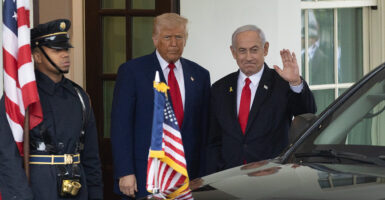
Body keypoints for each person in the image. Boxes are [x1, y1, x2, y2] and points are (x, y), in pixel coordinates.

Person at [0, 19, 103, 199]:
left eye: (66, 49)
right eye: (57, 50)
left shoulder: (79, 96)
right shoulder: (20, 96)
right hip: (39, 187)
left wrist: (95, 194)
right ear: (37, 56)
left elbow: (91, 155)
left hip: (77, 186)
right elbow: (6, 153)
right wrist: (20, 195)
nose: (65, 55)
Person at [110, 13, 210, 199]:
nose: (174, 43)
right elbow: (120, 126)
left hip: (187, 177)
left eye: (179, 37)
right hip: (145, 174)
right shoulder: (132, 72)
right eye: (167, 37)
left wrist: (203, 175)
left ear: (186, 40)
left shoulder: (200, 75)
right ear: (155, 39)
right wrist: (125, 171)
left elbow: (203, 131)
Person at [206, 25, 316, 174]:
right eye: (242, 51)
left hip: (271, 176)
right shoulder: (219, 88)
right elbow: (213, 140)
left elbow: (307, 112)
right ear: (233, 52)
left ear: (265, 49)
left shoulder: (282, 83)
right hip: (229, 177)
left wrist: (295, 83)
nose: (248, 57)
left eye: (254, 49)